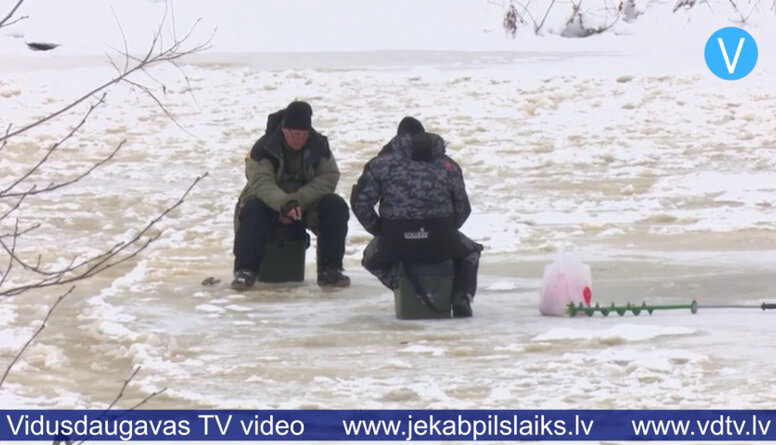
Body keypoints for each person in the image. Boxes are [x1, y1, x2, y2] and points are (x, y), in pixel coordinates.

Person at [350, 117, 483, 317]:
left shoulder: (381, 165)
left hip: (395, 240)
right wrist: (447, 229)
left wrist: (379, 229)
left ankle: (403, 286)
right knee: (471, 253)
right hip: (441, 238)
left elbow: (360, 203)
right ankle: (460, 296)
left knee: (370, 259)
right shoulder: (448, 165)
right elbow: (463, 208)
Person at [232, 100, 350, 290]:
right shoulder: (263, 148)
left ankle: (330, 271)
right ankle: (245, 271)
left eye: (304, 134)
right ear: (284, 131)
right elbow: (261, 183)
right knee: (253, 209)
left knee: (335, 206)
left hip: (303, 206)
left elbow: (329, 177)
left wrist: (298, 202)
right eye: (295, 134)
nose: (300, 139)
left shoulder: (318, 146)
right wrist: (284, 204)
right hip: (267, 204)